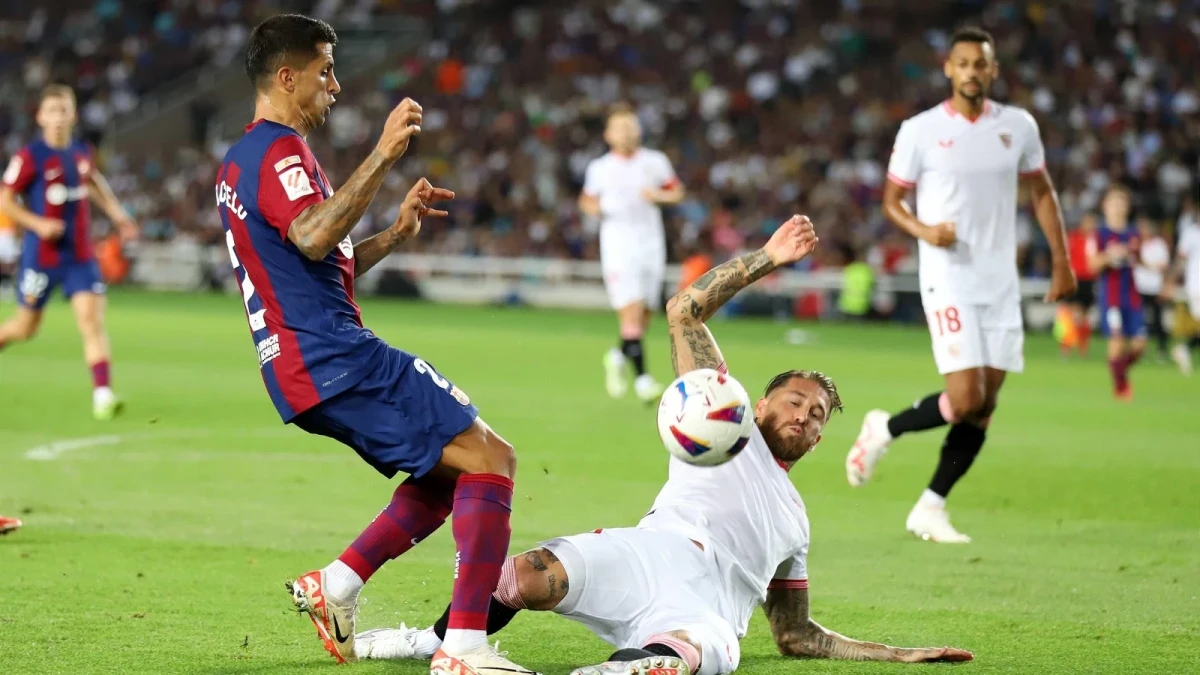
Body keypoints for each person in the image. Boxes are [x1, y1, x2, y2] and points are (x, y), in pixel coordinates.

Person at [348, 217, 973, 675]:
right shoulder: (719, 420)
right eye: (794, 400)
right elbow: (684, 311)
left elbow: (796, 635)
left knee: (682, 653)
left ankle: (625, 666)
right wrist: (769, 257)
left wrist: (894, 654)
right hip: (650, 552)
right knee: (525, 575)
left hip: (710, 610)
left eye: (817, 416)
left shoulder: (796, 522)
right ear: (758, 404)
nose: (804, 417)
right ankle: (437, 642)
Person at [216, 15, 532, 675]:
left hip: (305, 363)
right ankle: (463, 648)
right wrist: (385, 154)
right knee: (492, 459)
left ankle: (336, 584)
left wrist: (393, 234)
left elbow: (316, 262)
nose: (335, 85)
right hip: (333, 355)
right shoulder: (278, 152)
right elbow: (312, 236)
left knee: (448, 473)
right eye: (325, 70)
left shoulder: (242, 159)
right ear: (287, 77)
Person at [845, 27, 1076, 543]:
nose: (972, 71)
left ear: (993, 70)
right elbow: (892, 202)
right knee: (967, 397)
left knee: (984, 406)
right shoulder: (920, 130)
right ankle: (885, 429)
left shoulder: (1018, 126)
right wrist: (926, 231)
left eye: (981, 63)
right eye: (964, 63)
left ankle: (931, 506)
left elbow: (1042, 191)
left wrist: (1062, 261)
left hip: (1000, 282)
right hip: (948, 279)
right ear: (949, 69)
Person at [0, 85, 139, 419]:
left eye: (64, 110)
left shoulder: (80, 152)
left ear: (73, 115)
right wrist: (38, 224)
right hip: (41, 258)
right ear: (40, 117)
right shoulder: (30, 156)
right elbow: (5, 200)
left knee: (91, 321)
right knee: (25, 328)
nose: (59, 117)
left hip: (79, 256)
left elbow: (93, 181)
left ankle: (103, 395)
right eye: (52, 111)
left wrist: (119, 215)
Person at [579, 104, 685, 404]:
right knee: (633, 310)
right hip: (618, 246)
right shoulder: (600, 168)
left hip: (651, 243)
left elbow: (677, 191)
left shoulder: (655, 162)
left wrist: (659, 195)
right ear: (608, 134)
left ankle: (616, 356)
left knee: (645, 314)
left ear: (639, 130)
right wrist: (598, 209)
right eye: (620, 128)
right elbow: (586, 200)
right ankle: (643, 380)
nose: (626, 133)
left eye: (630, 126)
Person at [1088, 185, 1146, 400]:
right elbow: (1092, 265)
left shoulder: (1133, 234)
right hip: (1111, 296)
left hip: (1131, 295)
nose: (1118, 207)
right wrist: (1109, 255)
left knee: (1140, 345)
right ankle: (1121, 388)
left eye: (1122, 203)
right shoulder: (1099, 234)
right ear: (1105, 206)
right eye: (1114, 203)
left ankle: (1118, 368)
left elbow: (1138, 260)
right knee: (1117, 340)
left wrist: (1152, 266)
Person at [1169, 197, 1200, 375]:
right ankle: (1184, 349)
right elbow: (1181, 259)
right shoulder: (1191, 233)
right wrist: (1171, 280)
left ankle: (1184, 349)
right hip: (1196, 285)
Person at [1062, 212, 1099, 357]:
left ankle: (1082, 347)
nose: (1091, 225)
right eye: (1088, 222)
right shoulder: (1074, 237)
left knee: (1084, 316)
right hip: (1076, 278)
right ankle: (1067, 345)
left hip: (1089, 280)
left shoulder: (1095, 239)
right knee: (1074, 314)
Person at [1133, 216, 1170, 361]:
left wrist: (1145, 264)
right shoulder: (1137, 243)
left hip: (1155, 287)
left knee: (1158, 319)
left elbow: (1163, 266)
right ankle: (1140, 350)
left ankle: (1162, 349)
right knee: (1139, 320)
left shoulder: (1159, 245)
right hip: (1138, 287)